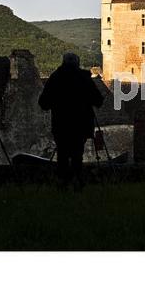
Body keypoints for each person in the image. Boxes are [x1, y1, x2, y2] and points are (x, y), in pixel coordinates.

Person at [39, 53, 103, 189]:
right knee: (77, 154)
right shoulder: (84, 78)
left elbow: (43, 103)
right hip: (80, 124)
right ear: (77, 63)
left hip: (61, 124)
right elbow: (98, 100)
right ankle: (77, 183)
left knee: (62, 155)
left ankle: (62, 184)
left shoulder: (55, 78)